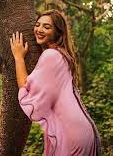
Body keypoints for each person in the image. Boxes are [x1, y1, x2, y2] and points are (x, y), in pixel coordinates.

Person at [9, 9, 102, 156]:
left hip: (72, 134)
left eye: (47, 27)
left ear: (58, 33)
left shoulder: (51, 55)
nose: (39, 30)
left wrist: (18, 57)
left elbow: (26, 88)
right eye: (38, 25)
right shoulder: (62, 55)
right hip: (81, 130)